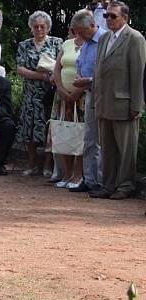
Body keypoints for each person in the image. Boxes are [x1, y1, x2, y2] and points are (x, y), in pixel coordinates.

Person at [90, 1, 146, 199]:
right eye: (106, 16)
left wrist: (136, 105)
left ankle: (125, 185)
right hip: (105, 103)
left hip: (124, 103)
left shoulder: (135, 38)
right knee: (108, 148)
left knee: (126, 148)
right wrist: (96, 100)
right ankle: (109, 185)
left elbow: (138, 74)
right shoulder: (105, 38)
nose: (108, 19)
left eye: (113, 16)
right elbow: (99, 71)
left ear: (125, 17)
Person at [15, 11, 63, 176]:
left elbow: (61, 66)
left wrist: (51, 77)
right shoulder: (24, 45)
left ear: (48, 27)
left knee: (50, 128)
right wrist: (41, 76)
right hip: (30, 93)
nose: (39, 29)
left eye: (42, 26)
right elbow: (20, 68)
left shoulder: (57, 43)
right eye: (36, 26)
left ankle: (48, 166)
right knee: (29, 129)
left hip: (49, 93)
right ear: (31, 28)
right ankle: (31, 164)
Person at [70, 10, 105, 194]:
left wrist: (89, 80)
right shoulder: (87, 42)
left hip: (103, 94)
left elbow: (108, 71)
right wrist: (79, 74)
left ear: (92, 26)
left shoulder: (105, 40)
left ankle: (99, 180)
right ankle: (89, 178)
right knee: (89, 138)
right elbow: (82, 62)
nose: (79, 36)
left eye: (82, 32)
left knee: (99, 138)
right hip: (89, 92)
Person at [51, 26, 85, 189]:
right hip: (63, 97)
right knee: (64, 132)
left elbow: (91, 71)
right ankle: (67, 173)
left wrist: (76, 93)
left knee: (80, 135)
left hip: (82, 97)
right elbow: (57, 68)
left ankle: (78, 175)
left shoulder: (92, 44)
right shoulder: (67, 44)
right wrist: (61, 89)